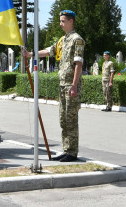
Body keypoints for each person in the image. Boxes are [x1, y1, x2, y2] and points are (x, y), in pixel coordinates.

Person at [25, 10, 84, 162]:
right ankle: (66, 149)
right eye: (60, 20)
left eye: (63, 21)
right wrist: (31, 54)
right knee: (63, 119)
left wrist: (74, 85)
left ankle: (72, 151)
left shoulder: (77, 40)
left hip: (70, 85)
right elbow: (49, 51)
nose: (60, 23)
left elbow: (78, 64)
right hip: (62, 85)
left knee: (71, 119)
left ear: (71, 21)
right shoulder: (63, 40)